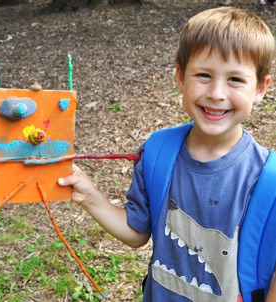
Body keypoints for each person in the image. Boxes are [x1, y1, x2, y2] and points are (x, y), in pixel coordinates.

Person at [58, 6, 276, 302]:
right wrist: (89, 197)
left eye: (235, 79)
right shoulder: (158, 152)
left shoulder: (269, 180)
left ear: (261, 88)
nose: (216, 93)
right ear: (180, 76)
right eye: (203, 75)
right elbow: (137, 232)